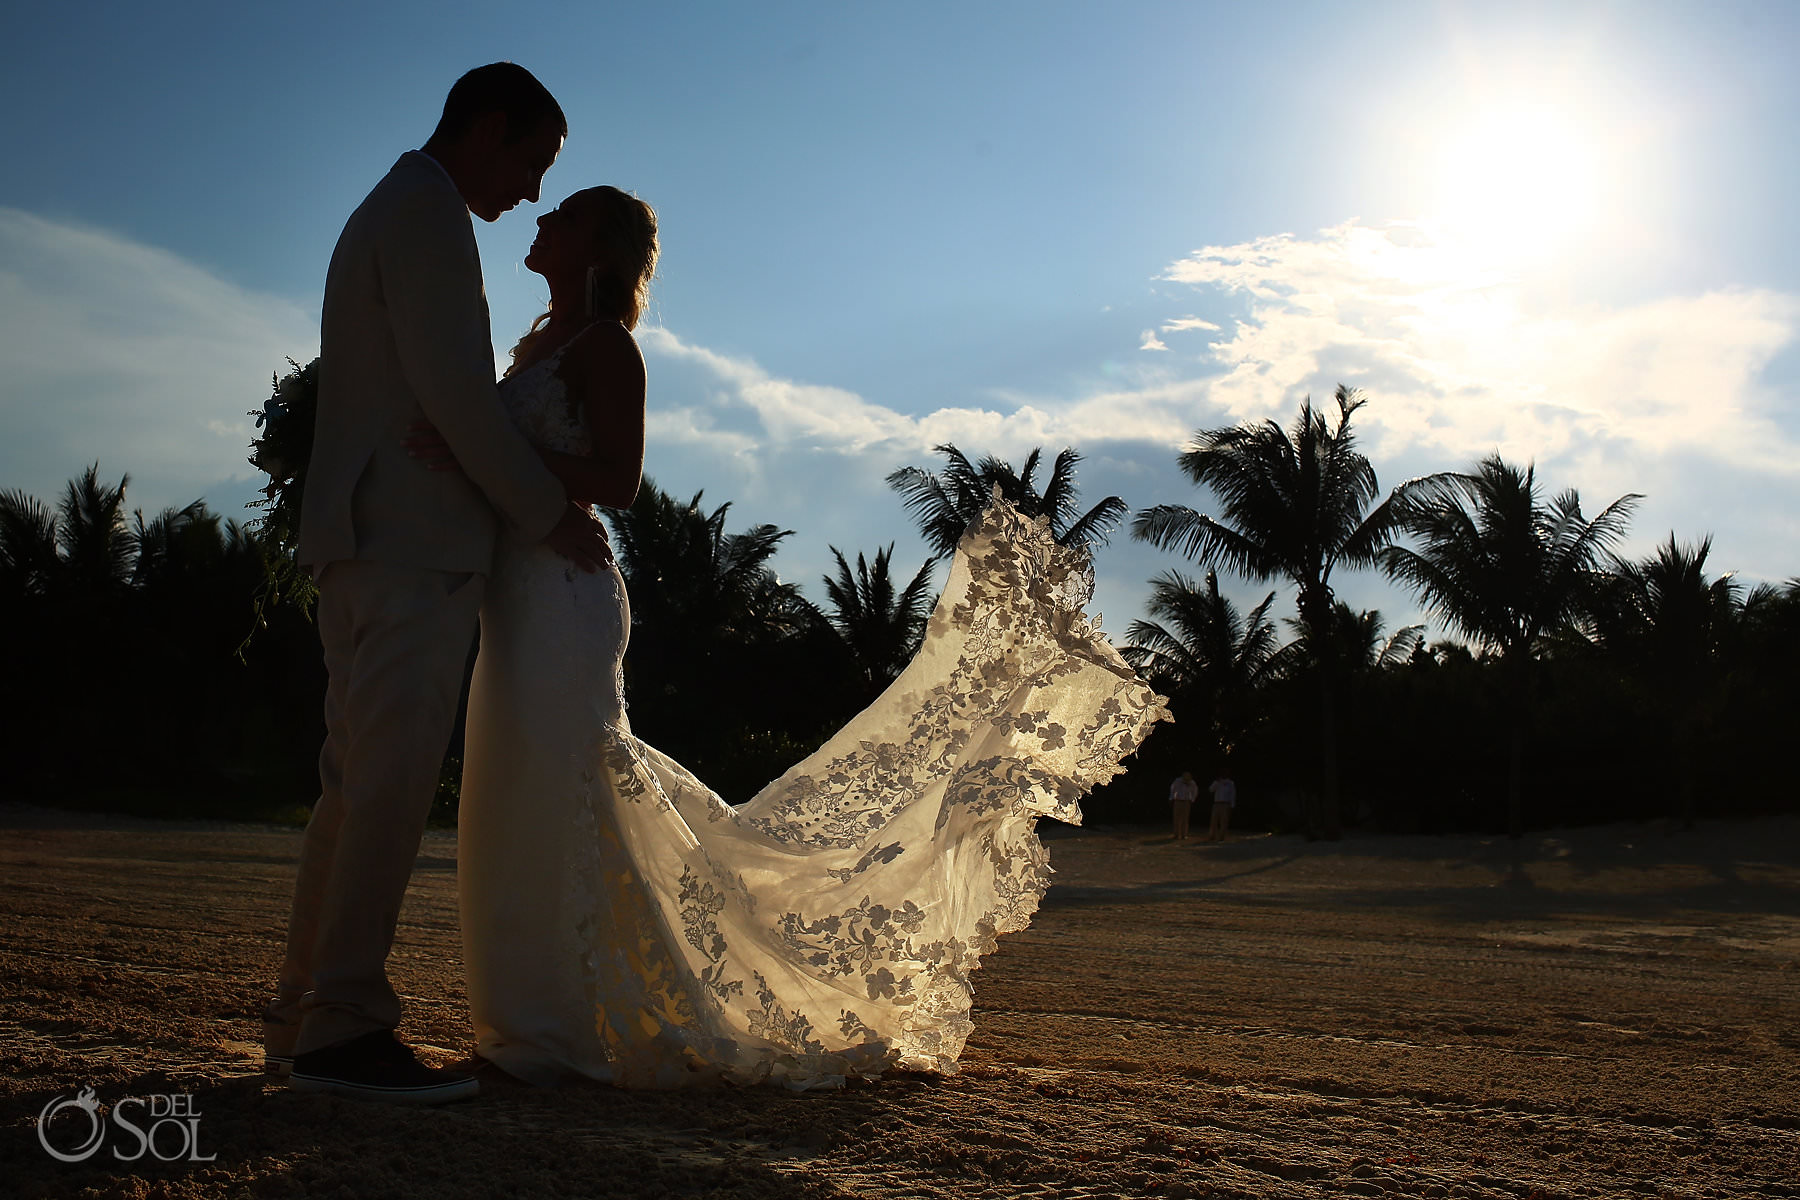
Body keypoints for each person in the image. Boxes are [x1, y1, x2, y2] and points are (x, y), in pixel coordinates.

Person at [427, 186, 1172, 1089]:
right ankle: (534, 1021)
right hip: (512, 596)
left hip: (563, 595)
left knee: (556, 787)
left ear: (601, 246)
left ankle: (546, 1039)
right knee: (513, 791)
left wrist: (481, 451)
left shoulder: (606, 348)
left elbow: (618, 480)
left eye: (567, 213)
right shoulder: (537, 343)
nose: (541, 220)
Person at [263, 64, 612, 1106]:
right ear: (490, 129)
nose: (535, 194)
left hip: (366, 532)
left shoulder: (396, 205)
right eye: (532, 162)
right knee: (387, 786)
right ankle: (343, 1024)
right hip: (410, 538)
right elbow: (455, 397)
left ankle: (304, 1009)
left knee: (352, 783)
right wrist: (548, 513)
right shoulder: (423, 213)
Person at [1206, 767, 1237, 842]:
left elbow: (1232, 794)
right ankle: (1212, 836)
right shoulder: (1217, 782)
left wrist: (1232, 805)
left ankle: (1221, 837)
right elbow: (1211, 789)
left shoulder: (1230, 783)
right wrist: (1216, 782)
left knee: (1223, 821)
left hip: (1225, 804)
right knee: (1214, 820)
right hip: (1217, 803)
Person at [1169, 771, 1199, 841]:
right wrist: (1171, 798)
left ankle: (1184, 834)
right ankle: (1176, 834)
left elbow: (1195, 791)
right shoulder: (1177, 781)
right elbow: (1172, 789)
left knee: (1185, 818)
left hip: (1186, 801)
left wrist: (1192, 799)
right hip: (1178, 801)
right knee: (1176, 818)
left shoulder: (1192, 783)